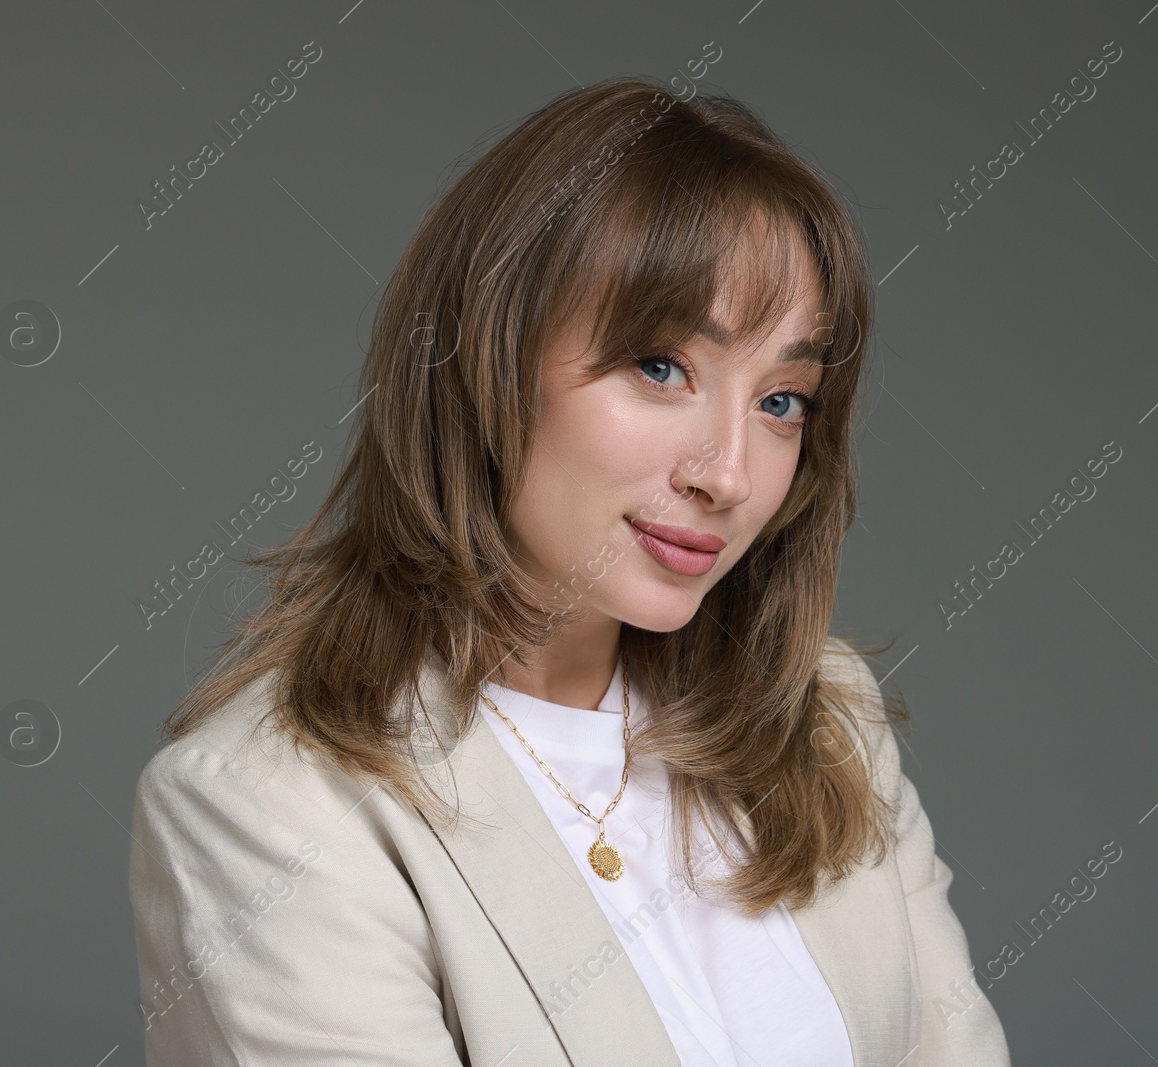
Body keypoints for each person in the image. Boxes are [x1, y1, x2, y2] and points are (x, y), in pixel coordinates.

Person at [127, 75, 1011, 1066]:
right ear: (484, 355)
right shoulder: (267, 805)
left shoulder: (826, 721)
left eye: (781, 400)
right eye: (662, 367)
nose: (727, 474)